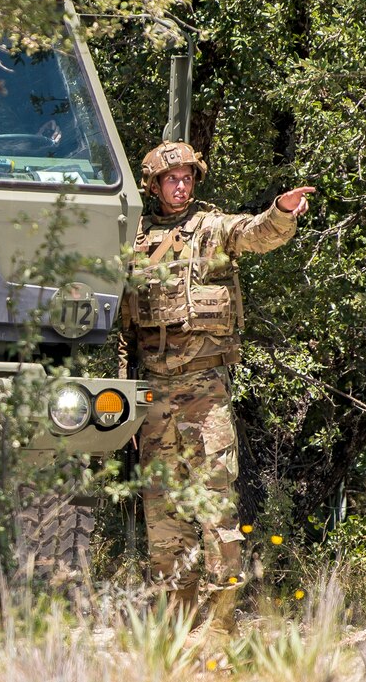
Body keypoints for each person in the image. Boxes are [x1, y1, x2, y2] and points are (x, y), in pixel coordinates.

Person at [119, 139, 314, 631]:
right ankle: (175, 626)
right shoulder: (134, 239)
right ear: (154, 185)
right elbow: (121, 326)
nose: (179, 186)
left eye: (186, 177)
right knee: (163, 515)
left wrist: (283, 212)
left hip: (205, 393)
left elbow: (255, 233)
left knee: (217, 511)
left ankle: (221, 629)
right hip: (156, 395)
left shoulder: (211, 228)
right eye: (170, 179)